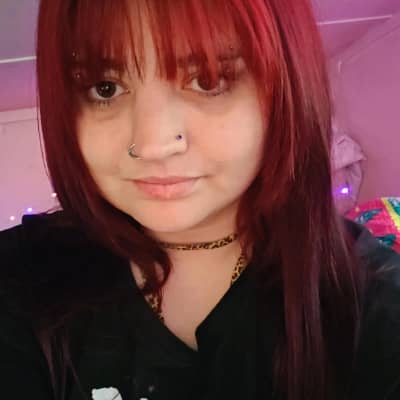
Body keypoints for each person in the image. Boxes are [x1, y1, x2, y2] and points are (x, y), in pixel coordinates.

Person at [1, 0, 400, 399]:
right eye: (105, 87)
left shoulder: (371, 303)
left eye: (207, 80)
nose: (152, 144)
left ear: (287, 87)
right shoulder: (24, 277)